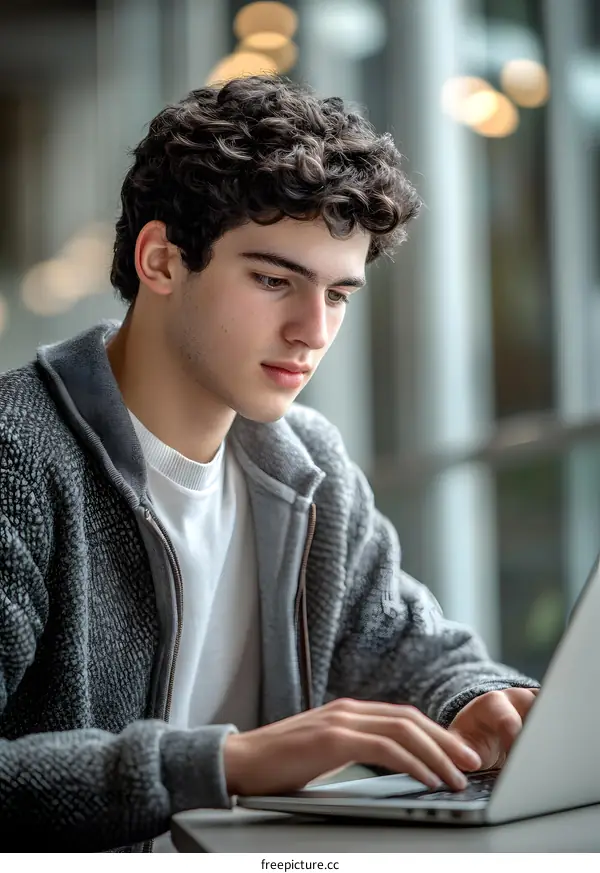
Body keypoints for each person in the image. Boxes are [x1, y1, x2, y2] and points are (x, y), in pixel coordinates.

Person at [0, 75, 538, 853]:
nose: (312, 330)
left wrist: (475, 699)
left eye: (339, 294)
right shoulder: (20, 457)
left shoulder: (303, 464)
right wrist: (227, 761)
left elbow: (404, 646)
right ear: (160, 260)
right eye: (273, 279)